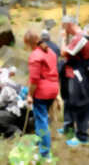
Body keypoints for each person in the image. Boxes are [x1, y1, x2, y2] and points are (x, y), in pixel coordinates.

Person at [24, 30, 59, 159]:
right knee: (42, 118)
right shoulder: (51, 52)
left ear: (28, 43)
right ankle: (40, 143)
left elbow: (34, 81)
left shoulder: (35, 56)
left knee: (42, 121)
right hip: (53, 89)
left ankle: (44, 153)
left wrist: (29, 95)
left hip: (42, 91)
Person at [60, 15, 89, 147]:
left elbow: (63, 53)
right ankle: (69, 127)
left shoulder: (80, 38)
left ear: (69, 25)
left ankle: (82, 136)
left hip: (79, 75)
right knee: (69, 101)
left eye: (63, 26)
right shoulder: (77, 37)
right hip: (71, 74)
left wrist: (63, 38)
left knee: (80, 104)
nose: (63, 29)